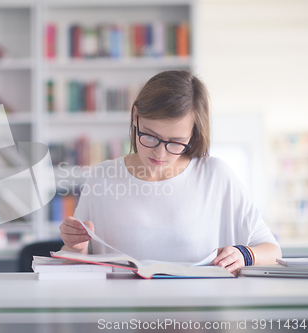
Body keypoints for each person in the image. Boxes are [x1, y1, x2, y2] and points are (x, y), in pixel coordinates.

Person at [59, 70, 281, 275]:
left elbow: (272, 251)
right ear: (135, 116)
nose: (159, 153)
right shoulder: (102, 177)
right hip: (120, 313)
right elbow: (76, 268)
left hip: (197, 315)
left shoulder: (215, 176)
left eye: (175, 142)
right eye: (149, 135)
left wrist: (245, 255)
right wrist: (75, 247)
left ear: (193, 135)